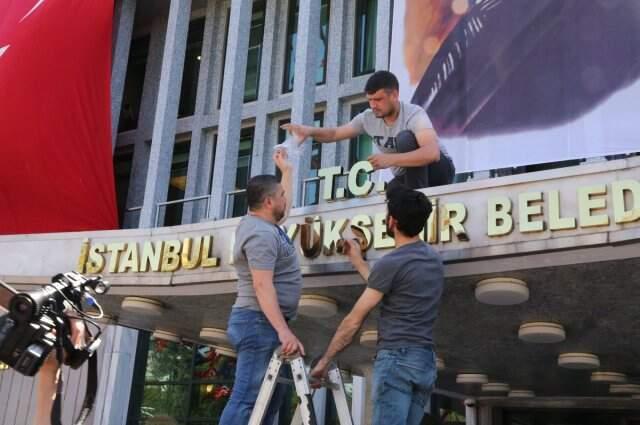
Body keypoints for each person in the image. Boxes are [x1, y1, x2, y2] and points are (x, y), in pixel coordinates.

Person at [310, 183, 444, 425]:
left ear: (392, 222)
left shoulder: (391, 263)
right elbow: (388, 284)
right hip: (424, 361)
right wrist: (358, 261)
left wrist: (324, 361)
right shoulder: (433, 259)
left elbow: (353, 321)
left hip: (396, 359)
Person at [219, 149, 305, 425]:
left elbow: (285, 208)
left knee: (268, 402)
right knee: (247, 399)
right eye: (280, 195)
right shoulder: (260, 235)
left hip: (262, 323)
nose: (285, 200)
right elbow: (262, 285)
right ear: (268, 202)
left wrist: (287, 172)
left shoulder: (264, 223)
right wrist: (283, 331)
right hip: (258, 324)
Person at [282, 70, 455, 189]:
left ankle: (416, 199)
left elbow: (433, 153)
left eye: (378, 99)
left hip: (438, 170)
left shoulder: (414, 114)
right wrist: (309, 131)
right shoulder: (367, 118)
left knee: (405, 138)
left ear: (394, 95)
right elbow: (335, 133)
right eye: (370, 100)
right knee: (392, 193)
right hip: (408, 177)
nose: (373, 105)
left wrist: (390, 159)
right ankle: (410, 201)